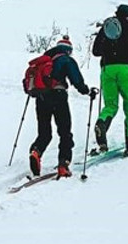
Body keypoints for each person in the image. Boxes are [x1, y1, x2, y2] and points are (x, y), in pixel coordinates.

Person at [91, 4, 128, 156]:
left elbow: (95, 51)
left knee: (110, 105)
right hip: (125, 69)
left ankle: (102, 123)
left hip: (107, 70)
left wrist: (108, 49)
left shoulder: (106, 28)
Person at [28, 36, 90, 178]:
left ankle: (36, 151)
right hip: (58, 97)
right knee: (64, 132)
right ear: (68, 50)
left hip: (41, 98)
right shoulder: (66, 59)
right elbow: (77, 80)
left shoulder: (43, 60)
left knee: (44, 133)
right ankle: (63, 165)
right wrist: (86, 91)